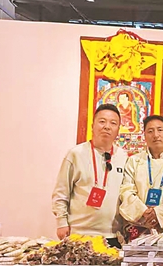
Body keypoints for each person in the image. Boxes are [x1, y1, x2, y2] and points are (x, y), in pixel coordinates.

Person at [51, 104, 128, 246]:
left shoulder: (124, 157)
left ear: (118, 130)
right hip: (79, 234)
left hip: (112, 236)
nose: (107, 127)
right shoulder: (75, 154)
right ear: (92, 126)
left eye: (113, 123)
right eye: (102, 121)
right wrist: (61, 223)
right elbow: (61, 192)